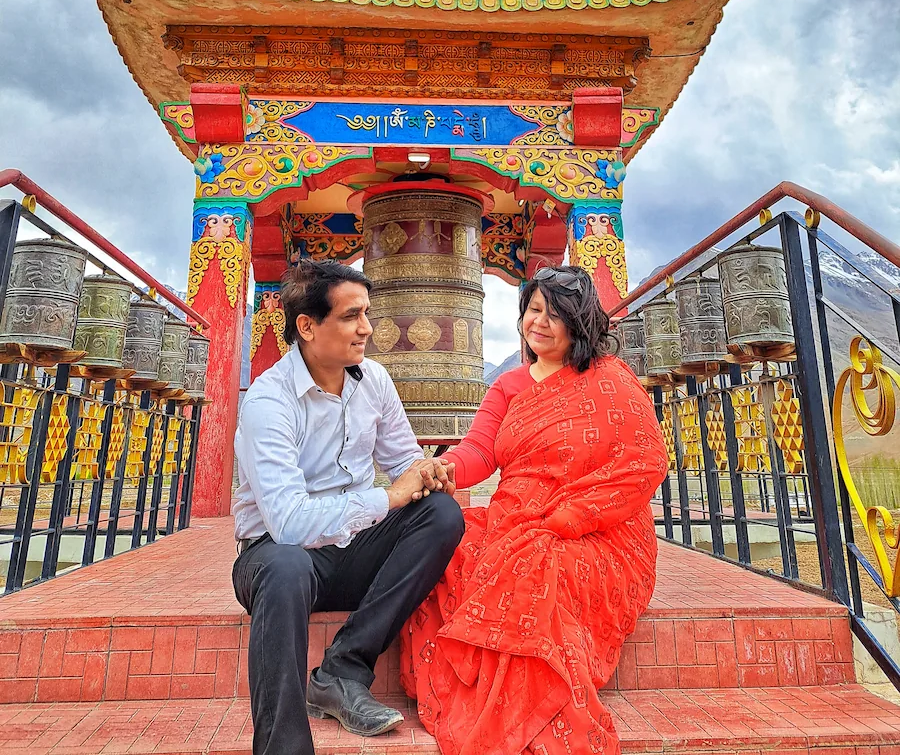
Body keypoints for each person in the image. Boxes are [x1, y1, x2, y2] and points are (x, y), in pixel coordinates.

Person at [401, 265, 668, 755]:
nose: (538, 322)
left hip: (598, 530)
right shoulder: (509, 385)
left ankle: (536, 712)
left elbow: (644, 462)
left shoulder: (611, 380)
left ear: (580, 321)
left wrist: (571, 518)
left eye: (554, 313)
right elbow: (480, 453)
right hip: (517, 518)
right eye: (533, 310)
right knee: (445, 546)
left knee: (535, 567)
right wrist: (438, 470)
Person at [232, 259, 465, 755]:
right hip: (276, 559)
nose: (367, 328)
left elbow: (403, 457)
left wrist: (426, 472)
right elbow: (289, 523)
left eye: (367, 313)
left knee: (442, 515)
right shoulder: (269, 402)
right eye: (351, 316)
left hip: (352, 548)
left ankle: (341, 669)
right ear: (308, 326)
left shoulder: (373, 380)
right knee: (286, 565)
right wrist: (388, 495)